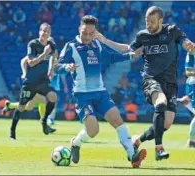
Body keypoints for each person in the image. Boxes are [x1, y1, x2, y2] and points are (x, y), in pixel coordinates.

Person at [94, 6, 195, 161]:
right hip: (151, 80)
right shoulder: (142, 36)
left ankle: (138, 140)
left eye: (152, 22)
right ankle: (159, 148)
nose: (148, 24)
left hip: (170, 83)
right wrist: (104, 40)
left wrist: (190, 47)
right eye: (146, 21)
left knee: (166, 123)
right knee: (160, 103)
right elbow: (127, 49)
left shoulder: (172, 31)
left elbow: (185, 42)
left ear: (161, 21)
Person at [55, 15, 146, 168]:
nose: (88, 36)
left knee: (117, 120)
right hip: (82, 96)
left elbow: (111, 57)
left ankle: (132, 156)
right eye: (85, 32)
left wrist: (130, 56)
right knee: (93, 130)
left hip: (100, 93)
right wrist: (66, 67)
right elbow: (57, 67)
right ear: (79, 29)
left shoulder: (97, 45)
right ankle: (76, 143)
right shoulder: (71, 46)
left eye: (91, 33)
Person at [9, 23, 58, 140]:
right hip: (30, 82)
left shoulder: (51, 45)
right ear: (39, 31)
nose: (45, 33)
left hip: (43, 81)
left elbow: (54, 56)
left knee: (53, 97)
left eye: (48, 32)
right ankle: (12, 131)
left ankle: (44, 121)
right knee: (22, 107)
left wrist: (51, 70)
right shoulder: (33, 44)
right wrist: (44, 54)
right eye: (44, 31)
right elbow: (31, 62)